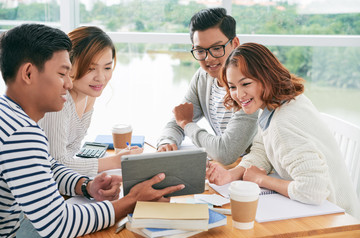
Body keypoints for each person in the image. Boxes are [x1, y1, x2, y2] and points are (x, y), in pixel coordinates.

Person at [0, 24, 184, 238]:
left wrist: (85, 185)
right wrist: (131, 201)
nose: (69, 84)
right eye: (62, 74)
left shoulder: (10, 116)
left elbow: (48, 164)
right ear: (29, 74)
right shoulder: (20, 134)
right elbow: (57, 224)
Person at [206, 42, 359, 218]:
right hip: (322, 212)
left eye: (246, 84)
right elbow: (262, 151)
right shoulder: (283, 103)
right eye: (232, 87)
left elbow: (313, 189)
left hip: (337, 221)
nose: (239, 95)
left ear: (266, 77)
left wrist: (261, 179)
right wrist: (231, 175)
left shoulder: (282, 123)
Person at [157, 7, 258, 165]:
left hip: (267, 170)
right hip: (233, 169)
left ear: (235, 44)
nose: (209, 58)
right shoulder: (202, 77)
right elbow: (177, 121)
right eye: (200, 51)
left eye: (217, 48)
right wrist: (166, 142)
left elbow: (225, 153)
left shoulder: (250, 84)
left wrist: (187, 124)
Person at [37, 26, 141, 177]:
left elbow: (71, 150)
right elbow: (55, 163)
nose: (101, 78)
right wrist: (115, 162)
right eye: (91, 68)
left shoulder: (88, 95)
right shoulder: (58, 101)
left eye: (107, 67)